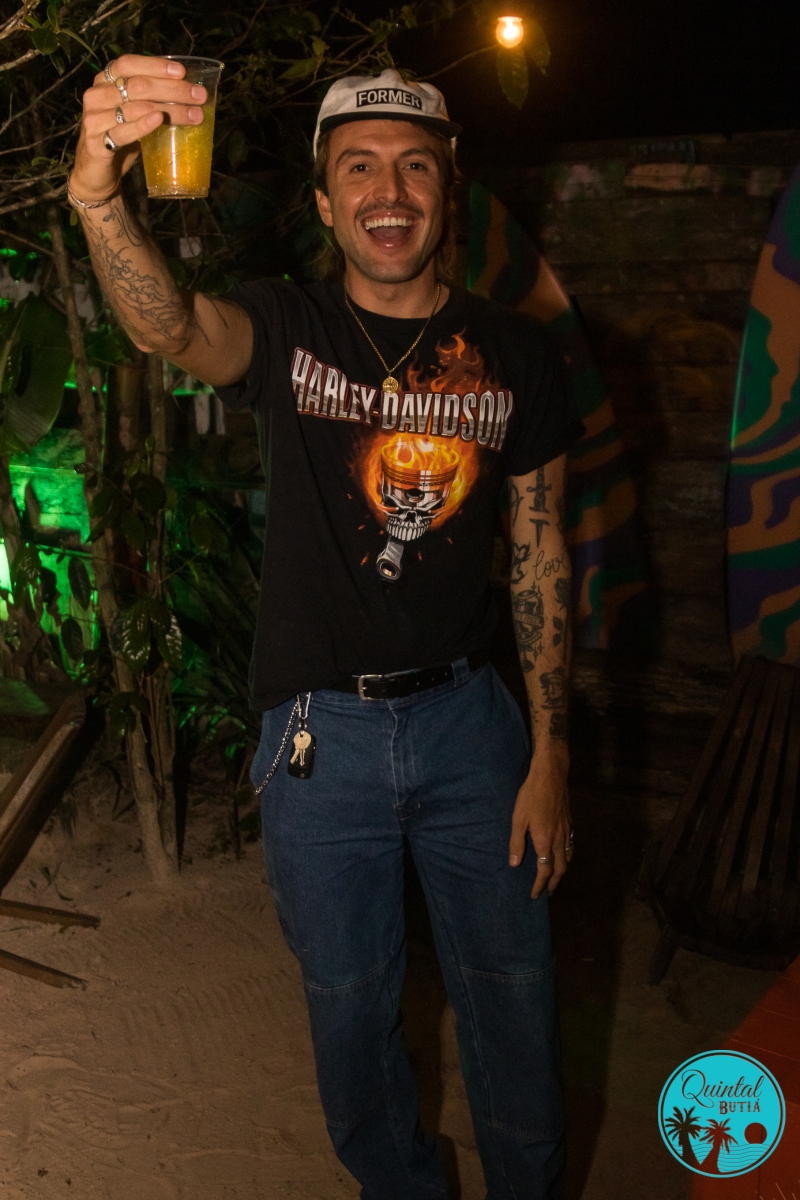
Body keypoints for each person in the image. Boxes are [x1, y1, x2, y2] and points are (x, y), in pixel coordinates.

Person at [70, 58, 583, 1200]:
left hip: (473, 730)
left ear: (448, 192)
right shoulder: (287, 326)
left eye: (414, 167)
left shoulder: (516, 351)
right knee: (350, 1018)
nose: (387, 191)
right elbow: (169, 327)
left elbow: (541, 553)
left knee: (515, 1004)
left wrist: (550, 752)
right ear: (322, 200)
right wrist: (99, 197)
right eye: (358, 168)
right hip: (320, 740)